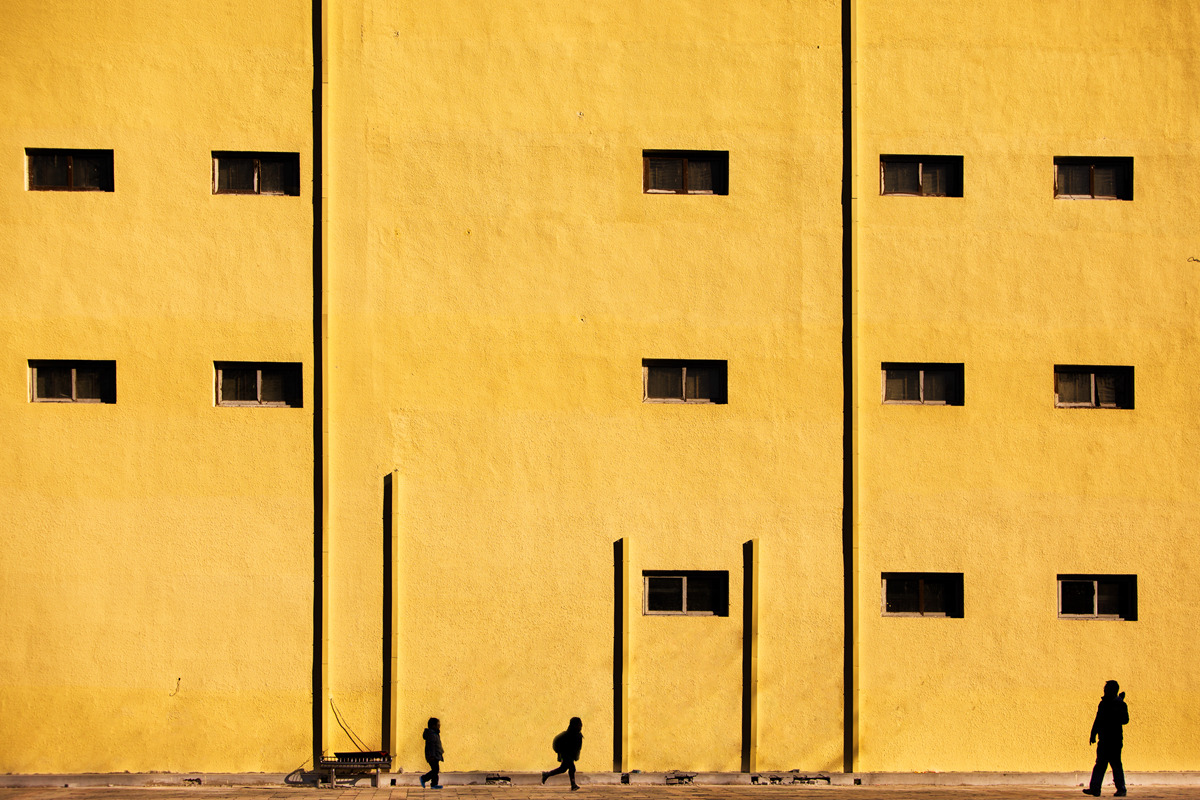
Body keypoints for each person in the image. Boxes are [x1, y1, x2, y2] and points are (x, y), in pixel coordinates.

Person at [1084, 680, 1128, 797]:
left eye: (1107, 689)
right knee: (1101, 764)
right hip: (1104, 739)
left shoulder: (1119, 704)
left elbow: (1125, 720)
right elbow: (1098, 719)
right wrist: (1093, 734)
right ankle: (1095, 788)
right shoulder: (1104, 704)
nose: (1105, 690)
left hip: (1114, 740)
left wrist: (1118, 706)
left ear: (1112, 690)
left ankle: (1121, 788)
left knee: (1115, 764)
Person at [542, 716, 583, 791]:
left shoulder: (578, 735)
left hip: (570, 755)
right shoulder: (567, 735)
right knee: (572, 768)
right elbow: (556, 742)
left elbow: (578, 748)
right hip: (566, 755)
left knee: (563, 769)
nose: (580, 726)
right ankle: (573, 785)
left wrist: (576, 756)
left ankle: (547, 774)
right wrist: (559, 752)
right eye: (579, 724)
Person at [420, 717, 444, 789]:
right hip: (433, 756)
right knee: (435, 770)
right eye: (438, 725)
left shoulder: (435, 733)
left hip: (435, 755)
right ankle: (424, 778)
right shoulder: (432, 735)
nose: (439, 726)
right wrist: (432, 756)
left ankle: (434, 784)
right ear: (433, 726)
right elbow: (432, 746)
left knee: (435, 770)